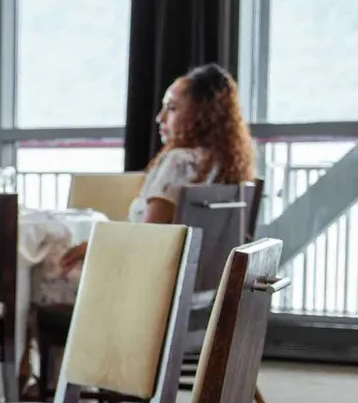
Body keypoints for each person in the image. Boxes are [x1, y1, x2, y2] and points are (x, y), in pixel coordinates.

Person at [60, 63, 256, 267]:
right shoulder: (222, 165)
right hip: (195, 278)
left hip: (146, 274)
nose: (160, 117)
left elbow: (149, 236)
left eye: (172, 108)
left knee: (53, 259)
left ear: (202, 115)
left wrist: (94, 246)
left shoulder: (179, 162)